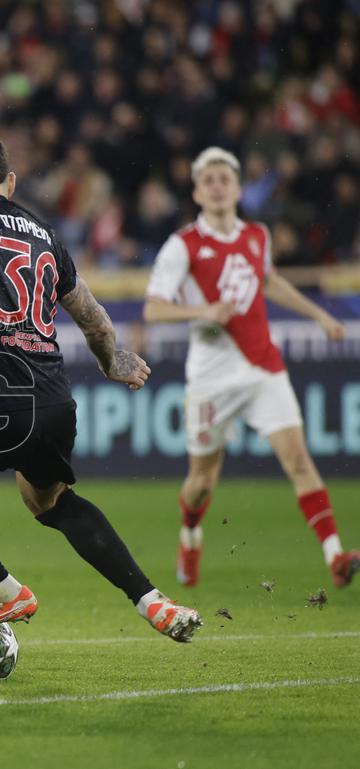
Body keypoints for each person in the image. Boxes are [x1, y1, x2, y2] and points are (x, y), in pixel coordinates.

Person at [0, 133, 203, 642]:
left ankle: (5, 592)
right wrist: (111, 361)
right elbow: (94, 320)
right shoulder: (44, 233)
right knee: (49, 499)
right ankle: (151, 601)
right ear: (10, 182)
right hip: (53, 400)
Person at [143, 146, 358, 588]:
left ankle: (335, 554)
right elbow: (153, 310)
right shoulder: (183, 245)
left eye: (226, 179)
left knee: (298, 458)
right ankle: (190, 530)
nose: (219, 187)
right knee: (202, 480)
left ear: (239, 189)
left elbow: (268, 279)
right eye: (210, 181)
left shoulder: (257, 235)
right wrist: (203, 312)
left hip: (263, 364)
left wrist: (319, 316)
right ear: (198, 193)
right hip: (211, 376)